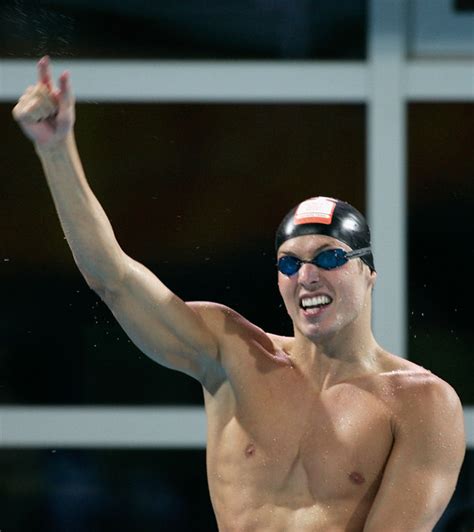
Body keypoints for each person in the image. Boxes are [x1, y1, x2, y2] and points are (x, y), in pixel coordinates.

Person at [13, 56, 466, 532]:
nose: (307, 276)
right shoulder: (231, 355)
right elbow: (113, 277)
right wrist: (56, 150)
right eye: (290, 264)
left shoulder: (420, 405)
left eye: (329, 258)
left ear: (369, 272)